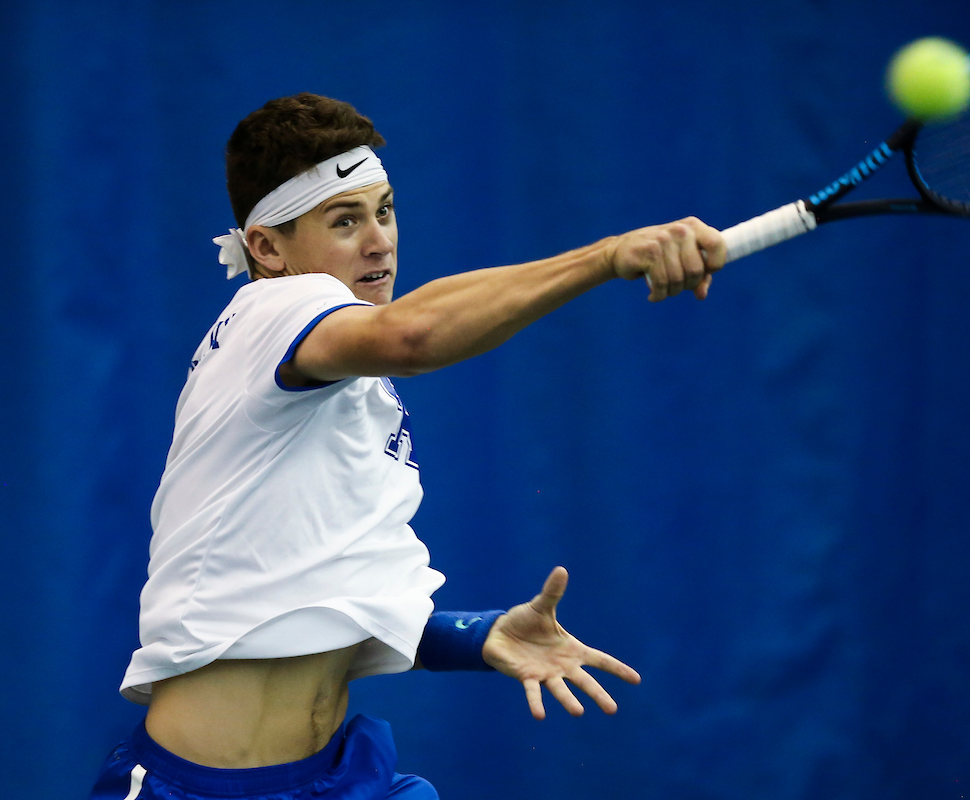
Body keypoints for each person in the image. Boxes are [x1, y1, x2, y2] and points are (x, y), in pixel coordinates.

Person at [89, 92, 726, 800]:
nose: (379, 241)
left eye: (385, 211)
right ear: (266, 248)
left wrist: (475, 636)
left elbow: (313, 594)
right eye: (344, 220)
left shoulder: (349, 389)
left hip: (336, 779)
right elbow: (413, 337)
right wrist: (607, 257)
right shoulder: (270, 310)